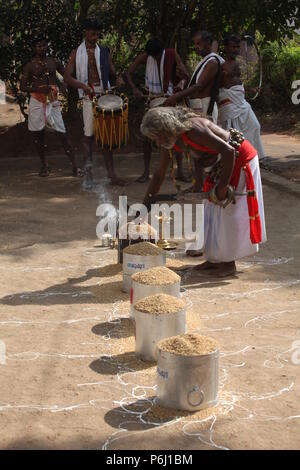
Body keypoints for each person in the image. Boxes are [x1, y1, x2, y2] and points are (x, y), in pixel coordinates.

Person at [140, 106, 266, 277]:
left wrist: (222, 187)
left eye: (157, 137)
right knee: (211, 212)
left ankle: (228, 264)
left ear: (166, 128)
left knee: (227, 213)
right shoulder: (171, 138)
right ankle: (214, 259)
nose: (158, 143)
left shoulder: (193, 130)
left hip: (239, 159)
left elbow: (228, 151)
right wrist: (145, 205)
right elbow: (159, 174)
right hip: (224, 162)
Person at [64, 18, 126, 188]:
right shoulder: (76, 52)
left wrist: (119, 79)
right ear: (86, 31)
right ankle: (89, 176)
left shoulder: (104, 52)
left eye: (98, 33)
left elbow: (113, 73)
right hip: (88, 98)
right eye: (93, 33)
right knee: (88, 137)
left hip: (104, 96)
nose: (95, 36)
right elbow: (68, 77)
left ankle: (112, 175)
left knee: (106, 137)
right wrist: (82, 85)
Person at [126, 37, 190, 183]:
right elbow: (128, 72)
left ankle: (180, 171)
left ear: (162, 51)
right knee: (147, 137)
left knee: (177, 134)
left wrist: (182, 78)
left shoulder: (172, 54)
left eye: (158, 55)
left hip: (170, 98)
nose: (155, 58)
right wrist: (135, 89)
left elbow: (185, 77)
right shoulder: (146, 56)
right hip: (153, 100)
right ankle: (146, 172)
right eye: (152, 56)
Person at [20, 37, 81, 177]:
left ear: (47, 46)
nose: (42, 48)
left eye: (43, 45)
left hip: (53, 101)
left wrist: (64, 87)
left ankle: (75, 167)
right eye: (38, 45)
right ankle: (44, 166)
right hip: (36, 101)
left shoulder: (54, 61)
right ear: (34, 48)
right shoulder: (30, 66)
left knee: (62, 133)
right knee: (38, 135)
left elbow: (67, 75)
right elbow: (23, 86)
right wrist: (38, 89)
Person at [218, 34, 265, 159]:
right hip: (230, 103)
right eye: (233, 47)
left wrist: (250, 89)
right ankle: (236, 158)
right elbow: (217, 87)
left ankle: (252, 155)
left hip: (241, 101)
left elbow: (237, 84)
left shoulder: (235, 63)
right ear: (226, 48)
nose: (235, 50)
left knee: (255, 126)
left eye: (237, 47)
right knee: (233, 133)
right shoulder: (221, 66)